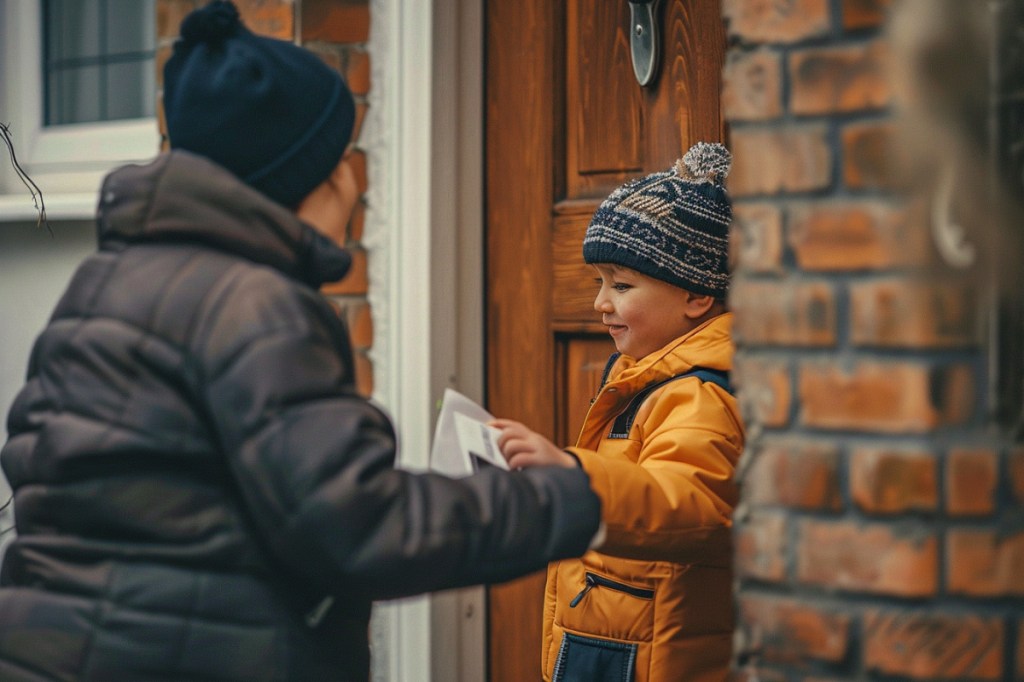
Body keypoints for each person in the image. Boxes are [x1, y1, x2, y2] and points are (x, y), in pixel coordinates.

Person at [0, 2, 600, 681]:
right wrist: (566, 499)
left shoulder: (105, 285)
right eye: (345, 156)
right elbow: (357, 526)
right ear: (304, 175)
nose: (355, 179)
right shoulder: (256, 305)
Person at [493, 142, 744, 682]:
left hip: (655, 657)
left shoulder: (697, 394)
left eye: (622, 285)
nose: (600, 303)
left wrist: (575, 477)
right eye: (599, 282)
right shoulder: (640, 376)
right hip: (619, 642)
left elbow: (693, 503)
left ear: (697, 296)